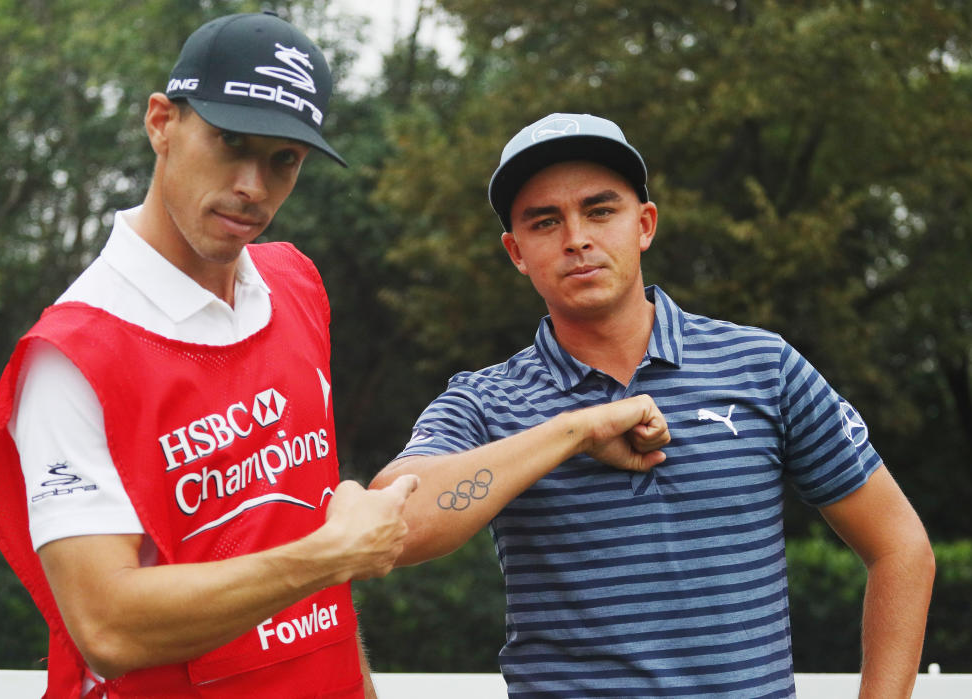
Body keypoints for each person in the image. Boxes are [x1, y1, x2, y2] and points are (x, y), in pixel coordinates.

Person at [371, 113, 935, 698]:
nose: (576, 238)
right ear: (516, 252)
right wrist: (574, 432)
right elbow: (395, 524)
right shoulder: (486, 401)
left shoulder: (763, 366)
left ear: (644, 224)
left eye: (600, 210)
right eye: (545, 222)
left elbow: (901, 548)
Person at [0, 12, 418, 698]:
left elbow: (305, 538)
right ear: (161, 122)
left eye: (283, 160)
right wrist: (331, 555)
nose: (253, 186)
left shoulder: (296, 284)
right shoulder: (72, 355)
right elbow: (108, 627)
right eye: (229, 141)